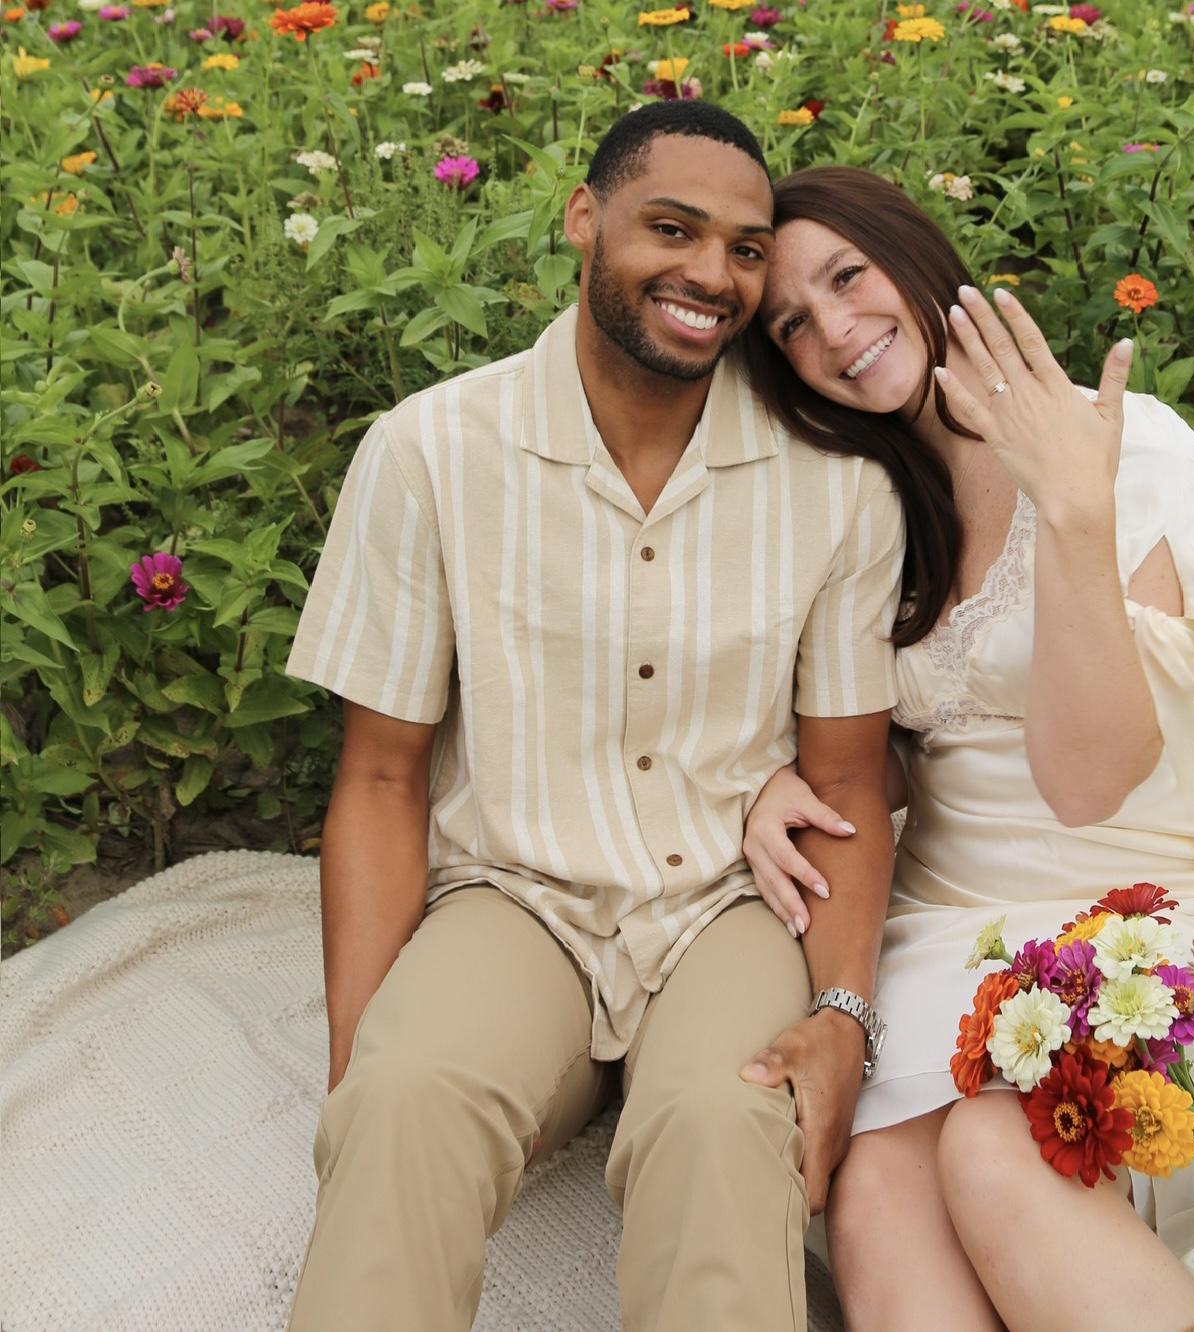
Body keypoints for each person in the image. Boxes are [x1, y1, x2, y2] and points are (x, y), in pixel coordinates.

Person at [282, 108, 911, 1332]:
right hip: (513, 890)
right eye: (669, 231)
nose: (707, 276)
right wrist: (361, 1060)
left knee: (728, 1121)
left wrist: (840, 1016)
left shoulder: (834, 490)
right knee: (409, 1098)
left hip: (734, 901)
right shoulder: (430, 452)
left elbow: (844, 781)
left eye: (741, 249)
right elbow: (379, 778)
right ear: (584, 219)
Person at [740, 165, 1194, 1332]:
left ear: (911, 257)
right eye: (792, 324)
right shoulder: (869, 506)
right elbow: (917, 741)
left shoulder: (1119, 445)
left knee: (1004, 1151)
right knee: (877, 1197)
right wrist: (774, 787)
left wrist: (1074, 513)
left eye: (847, 278)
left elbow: (1089, 773)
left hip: (1154, 904)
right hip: (952, 920)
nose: (833, 332)